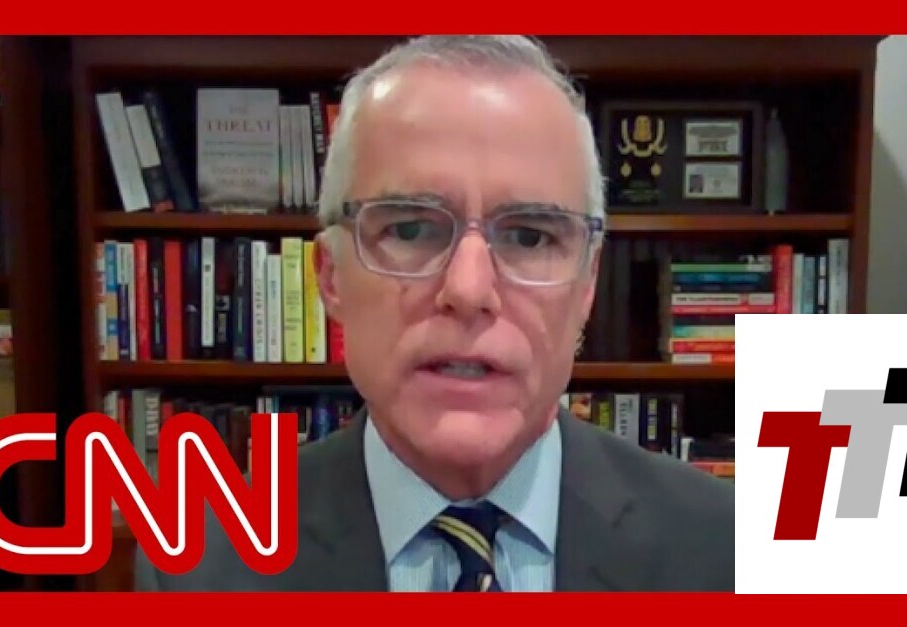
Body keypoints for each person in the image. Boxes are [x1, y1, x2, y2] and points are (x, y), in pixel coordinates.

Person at [136, 34, 734, 593]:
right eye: (410, 229)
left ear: (587, 284)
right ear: (331, 276)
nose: (468, 289)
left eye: (529, 237)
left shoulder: (726, 550)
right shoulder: (197, 565)